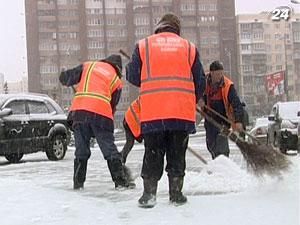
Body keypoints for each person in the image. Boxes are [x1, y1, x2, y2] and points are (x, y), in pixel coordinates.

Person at [126, 13, 206, 207]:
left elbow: (132, 75)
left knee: (153, 152)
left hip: (154, 112)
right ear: (176, 28)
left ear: (159, 27)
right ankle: (176, 193)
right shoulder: (189, 48)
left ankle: (149, 195)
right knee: (177, 153)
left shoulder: (144, 45)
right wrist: (189, 99)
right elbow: (201, 82)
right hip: (181, 113)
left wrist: (148, 81)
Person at [59, 54, 135, 190]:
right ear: (118, 69)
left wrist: (63, 75)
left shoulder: (88, 66)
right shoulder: (116, 80)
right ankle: (121, 182)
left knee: (81, 151)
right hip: (101, 115)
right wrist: (104, 124)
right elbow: (113, 105)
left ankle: (78, 183)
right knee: (109, 149)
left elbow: (66, 79)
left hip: (79, 113)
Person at [203, 60, 244, 159]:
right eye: (217, 74)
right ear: (211, 73)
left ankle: (224, 164)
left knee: (222, 146)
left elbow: (237, 104)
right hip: (209, 119)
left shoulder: (228, 86)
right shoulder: (203, 82)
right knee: (211, 145)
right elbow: (196, 94)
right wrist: (200, 100)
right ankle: (217, 163)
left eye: (221, 73)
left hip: (223, 120)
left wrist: (238, 121)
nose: (220, 76)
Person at [120, 97, 143, 164]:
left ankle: (121, 158)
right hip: (131, 120)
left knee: (130, 142)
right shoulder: (148, 99)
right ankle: (121, 158)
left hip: (128, 118)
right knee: (130, 142)